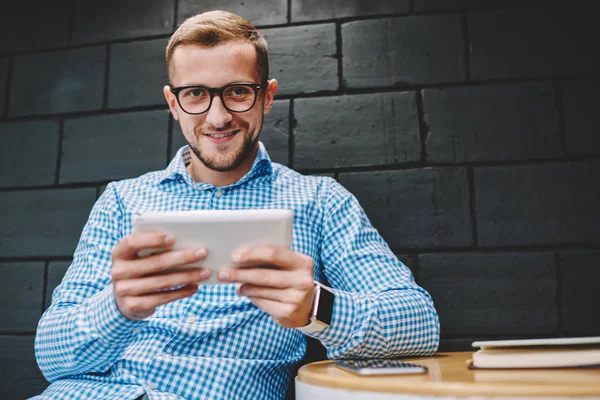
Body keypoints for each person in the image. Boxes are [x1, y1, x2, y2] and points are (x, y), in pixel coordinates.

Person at [33, 10, 440, 400]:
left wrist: (315, 306)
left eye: (238, 92)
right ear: (174, 104)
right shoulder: (121, 201)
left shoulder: (319, 201)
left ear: (267, 97)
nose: (218, 117)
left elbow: (420, 324)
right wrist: (116, 307)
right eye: (195, 94)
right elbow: (52, 358)